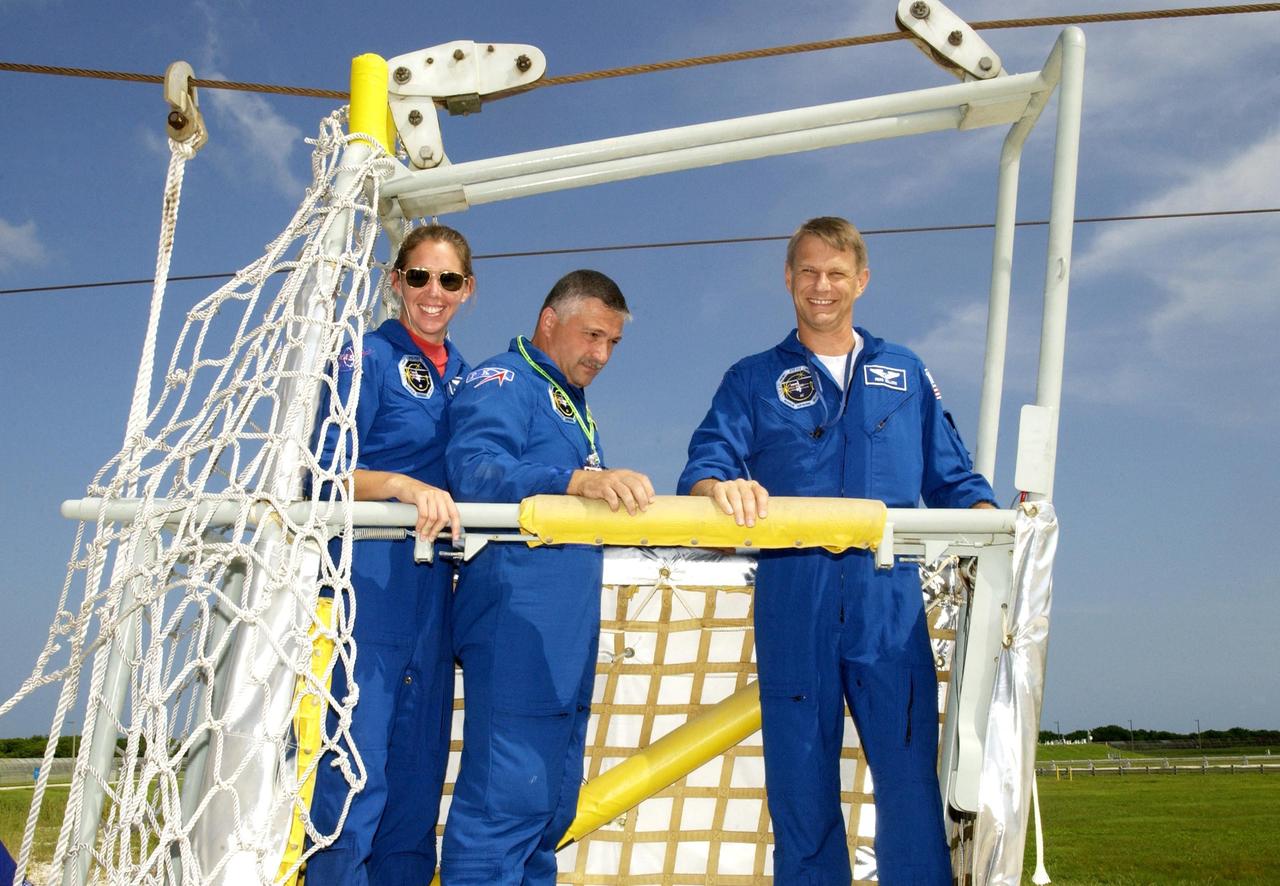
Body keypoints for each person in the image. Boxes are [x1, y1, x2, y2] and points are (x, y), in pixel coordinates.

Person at [677, 217, 996, 884]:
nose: (822, 287)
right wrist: (721, 485)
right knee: (801, 776)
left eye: (837, 274)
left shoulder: (904, 373)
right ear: (789, 279)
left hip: (889, 604)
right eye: (809, 272)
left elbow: (954, 477)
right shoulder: (751, 378)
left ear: (862, 281)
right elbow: (705, 466)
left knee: (909, 777)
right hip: (795, 598)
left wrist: (995, 525)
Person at [441, 269, 654, 885]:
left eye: (613, 343)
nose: (601, 355)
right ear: (549, 322)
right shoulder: (506, 380)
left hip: (561, 637)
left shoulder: (565, 401)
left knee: (549, 808)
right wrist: (572, 481)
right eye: (592, 336)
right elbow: (474, 470)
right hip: (517, 625)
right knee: (503, 807)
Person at [306, 224, 475, 884]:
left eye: (449, 280)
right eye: (419, 277)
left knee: (416, 783)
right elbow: (320, 473)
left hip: (437, 596)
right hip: (367, 588)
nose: (433, 293)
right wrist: (400, 486)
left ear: (468, 290)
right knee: (355, 776)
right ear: (394, 281)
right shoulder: (364, 358)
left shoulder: (472, 377)